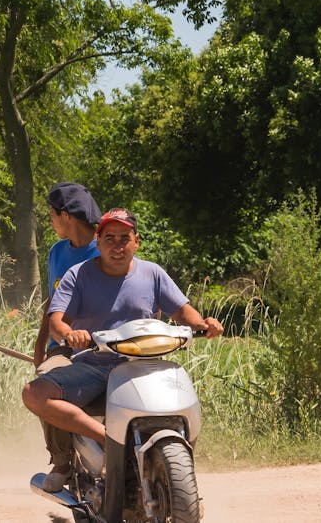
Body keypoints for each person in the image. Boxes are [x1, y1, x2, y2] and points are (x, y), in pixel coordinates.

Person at [21, 207, 223, 492]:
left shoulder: (152, 273)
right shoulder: (78, 275)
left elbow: (182, 311)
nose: (117, 246)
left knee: (183, 404)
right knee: (35, 393)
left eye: (124, 238)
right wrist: (71, 334)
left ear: (136, 241)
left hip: (145, 365)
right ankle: (99, 441)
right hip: (94, 363)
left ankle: (181, 483)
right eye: (110, 238)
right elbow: (57, 322)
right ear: (98, 242)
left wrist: (205, 324)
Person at [31, 183, 102, 486]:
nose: (50, 222)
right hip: (64, 346)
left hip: (106, 344)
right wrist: (40, 347)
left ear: (66, 215)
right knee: (43, 383)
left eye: (51, 215)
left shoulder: (106, 247)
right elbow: (52, 302)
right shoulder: (56, 253)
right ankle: (62, 462)